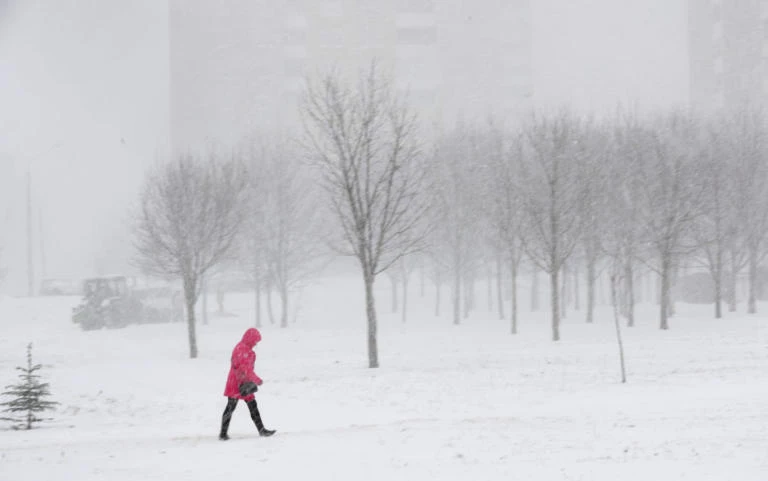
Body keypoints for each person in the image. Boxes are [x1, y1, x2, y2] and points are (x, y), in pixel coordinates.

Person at [219, 327, 275, 440]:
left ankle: (261, 430)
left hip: (245, 383)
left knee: (253, 406)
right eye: (255, 341)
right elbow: (245, 369)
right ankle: (223, 433)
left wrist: (251, 379)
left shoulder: (245, 349)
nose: (255, 344)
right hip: (236, 384)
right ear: (250, 339)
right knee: (230, 407)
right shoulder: (241, 349)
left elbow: (247, 369)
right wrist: (256, 379)